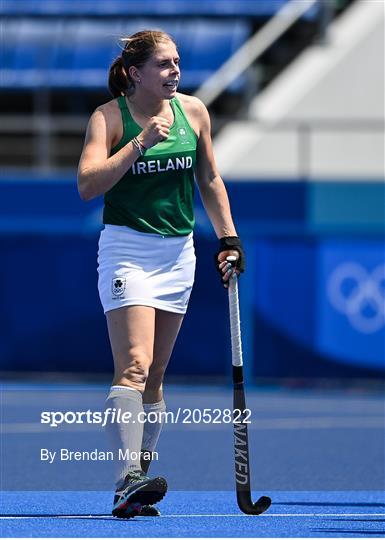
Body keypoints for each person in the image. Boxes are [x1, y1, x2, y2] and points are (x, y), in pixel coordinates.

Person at [77, 29, 245, 519]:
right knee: (134, 362)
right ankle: (125, 477)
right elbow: (88, 185)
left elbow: (210, 179)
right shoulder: (109, 117)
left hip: (178, 253)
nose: (175, 71)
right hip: (128, 248)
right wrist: (137, 145)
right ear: (135, 73)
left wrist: (229, 238)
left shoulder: (193, 112)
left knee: (156, 375)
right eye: (165, 64)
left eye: (177, 62)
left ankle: (139, 476)